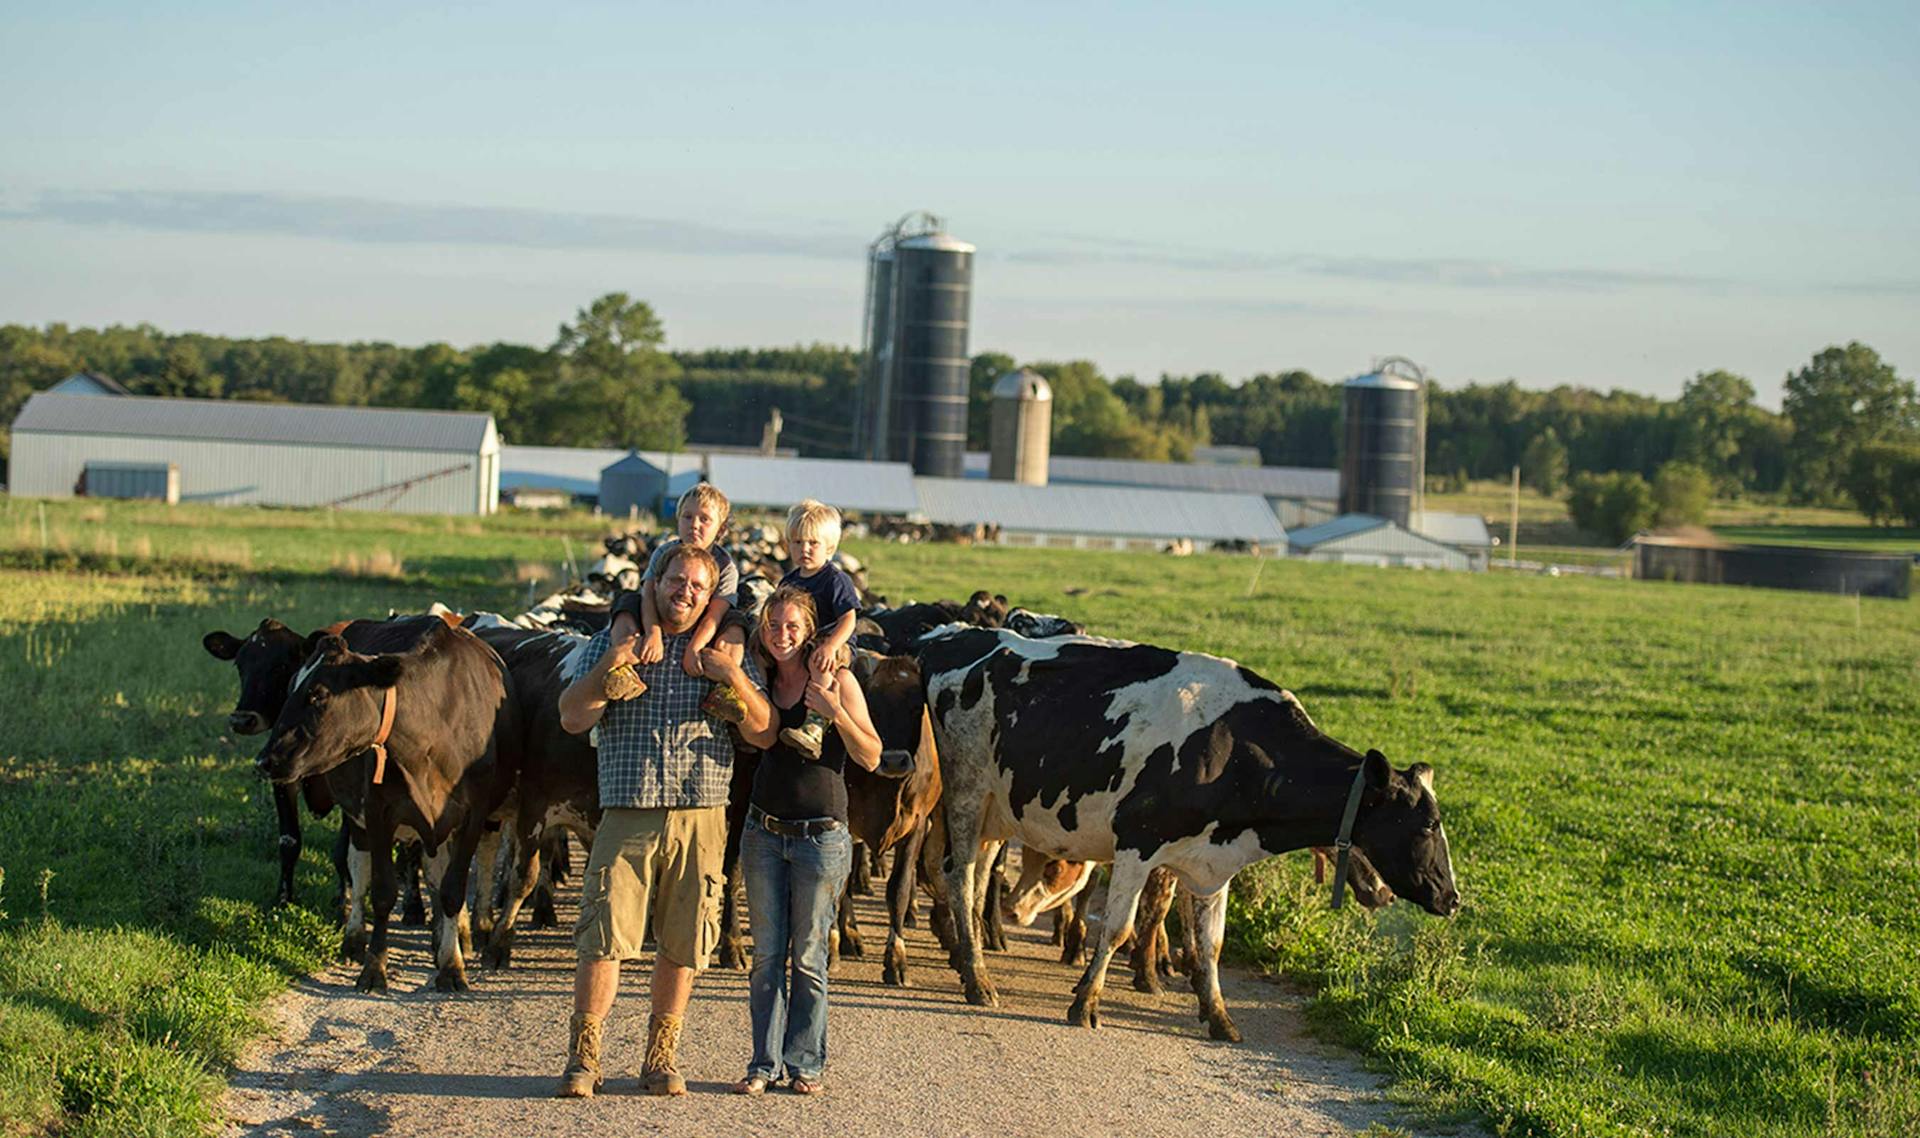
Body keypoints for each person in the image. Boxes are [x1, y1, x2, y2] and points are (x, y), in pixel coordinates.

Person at [554, 543, 776, 1099]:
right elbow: (570, 717)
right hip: (627, 807)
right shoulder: (615, 642)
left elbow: (765, 731)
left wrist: (734, 677)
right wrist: (611, 666)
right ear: (654, 585)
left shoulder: (728, 653)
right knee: (603, 935)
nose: (685, 592)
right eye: (676, 581)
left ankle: (661, 1057)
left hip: (700, 811)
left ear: (710, 597)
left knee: (685, 937)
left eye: (697, 587)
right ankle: (584, 1059)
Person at [734, 584, 884, 1096]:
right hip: (763, 832)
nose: (782, 634)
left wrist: (835, 712)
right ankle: (762, 1063)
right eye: (773, 625)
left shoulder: (838, 678)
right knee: (766, 957)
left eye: (792, 625)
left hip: (820, 838)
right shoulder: (762, 676)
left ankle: (805, 1064)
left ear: (810, 629)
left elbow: (871, 756)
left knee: (808, 956)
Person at [605, 483, 745, 719]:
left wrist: (695, 646)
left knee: (737, 623)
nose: (694, 525)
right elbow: (648, 593)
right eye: (687, 517)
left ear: (720, 529)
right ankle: (622, 669)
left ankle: (726, 689)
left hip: (703, 621)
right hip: (664, 613)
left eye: (705, 519)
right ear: (678, 520)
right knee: (626, 602)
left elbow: (716, 614)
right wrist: (653, 632)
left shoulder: (726, 566)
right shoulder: (664, 552)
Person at [776, 499, 861, 758]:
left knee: (818, 659)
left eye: (814, 543)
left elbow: (849, 618)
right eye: (798, 542)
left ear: (830, 547)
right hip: (797, 640)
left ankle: (815, 724)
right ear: (788, 545)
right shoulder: (788, 580)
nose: (805, 549)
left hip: (834, 644)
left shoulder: (835, 580)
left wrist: (831, 645)